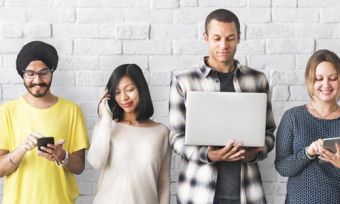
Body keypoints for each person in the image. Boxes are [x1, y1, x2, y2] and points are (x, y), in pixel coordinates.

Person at [169, 9, 276, 204]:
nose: (223, 45)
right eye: (217, 38)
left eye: (230, 38)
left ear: (239, 38)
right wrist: (208, 154)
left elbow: (268, 133)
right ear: (206, 37)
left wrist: (255, 153)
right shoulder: (184, 81)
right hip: (197, 193)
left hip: (247, 193)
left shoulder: (257, 80)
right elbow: (176, 137)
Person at [0, 41, 89, 204]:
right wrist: (21, 150)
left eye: (43, 73)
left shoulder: (71, 110)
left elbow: (79, 166)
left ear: (52, 71)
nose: (37, 80)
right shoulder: (6, 111)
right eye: (30, 73)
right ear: (22, 74)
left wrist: (62, 156)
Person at [87, 64, 171, 204]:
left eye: (130, 89)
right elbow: (96, 162)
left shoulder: (161, 132)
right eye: (117, 92)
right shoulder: (105, 127)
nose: (124, 97)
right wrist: (106, 118)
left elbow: (163, 183)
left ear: (141, 89)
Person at [275, 49, 340, 204]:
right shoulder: (292, 117)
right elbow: (282, 167)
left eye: (333, 78)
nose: (326, 85)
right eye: (319, 79)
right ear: (310, 81)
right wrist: (308, 152)